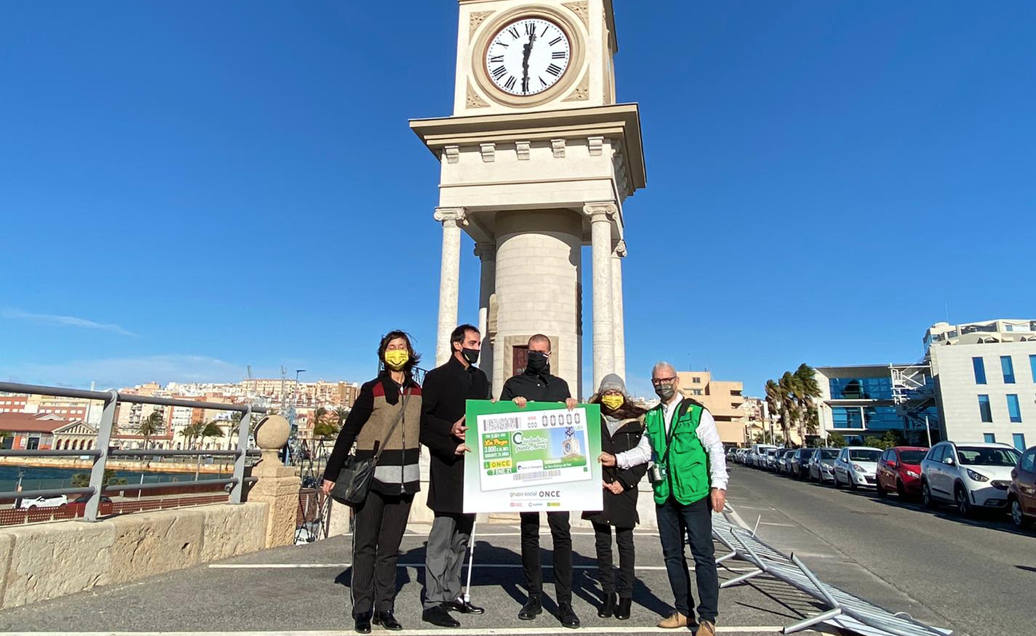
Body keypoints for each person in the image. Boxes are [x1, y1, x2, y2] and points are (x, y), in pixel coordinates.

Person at [600, 362, 728, 636]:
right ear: (652, 383)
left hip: (694, 494)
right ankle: (683, 611)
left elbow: (715, 449)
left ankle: (707, 619)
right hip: (665, 495)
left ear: (676, 380)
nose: (662, 384)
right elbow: (644, 451)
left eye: (666, 379)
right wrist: (616, 459)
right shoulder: (654, 416)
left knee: (703, 556)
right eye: (657, 381)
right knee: (672, 555)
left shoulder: (696, 413)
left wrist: (719, 485)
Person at [322, 331, 424, 634]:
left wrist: (457, 436)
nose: (397, 352)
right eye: (391, 348)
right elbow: (349, 430)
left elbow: (427, 429)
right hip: (373, 479)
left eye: (401, 347)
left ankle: (385, 608)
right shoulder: (372, 389)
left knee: (390, 549)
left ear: (409, 353)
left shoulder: (418, 391)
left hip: (406, 480)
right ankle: (363, 609)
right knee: (365, 545)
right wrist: (331, 473)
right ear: (383, 354)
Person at [499, 334, 580, 629]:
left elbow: (572, 428)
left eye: (541, 352)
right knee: (529, 534)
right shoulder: (513, 384)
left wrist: (572, 406)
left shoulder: (560, 386)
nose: (535, 355)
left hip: (558, 475)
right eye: (531, 351)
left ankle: (565, 603)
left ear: (549, 353)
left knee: (562, 535)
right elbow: (499, 422)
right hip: (526, 473)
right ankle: (534, 596)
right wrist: (512, 407)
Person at [419, 324, 490, 627]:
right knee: (441, 537)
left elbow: (489, 416)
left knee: (462, 538)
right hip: (448, 467)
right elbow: (423, 423)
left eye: (479, 343)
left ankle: (452, 592)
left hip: (475, 470)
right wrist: (450, 434)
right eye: (473, 342)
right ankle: (433, 601)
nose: (477, 347)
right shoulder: (436, 378)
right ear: (457, 345)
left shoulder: (481, 378)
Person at [582, 373, 647, 621]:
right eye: (607, 392)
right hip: (597, 488)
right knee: (602, 546)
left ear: (624, 394)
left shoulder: (638, 420)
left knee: (625, 545)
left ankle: (626, 597)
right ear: (600, 394)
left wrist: (625, 482)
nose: (612, 397)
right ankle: (607, 595)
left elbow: (644, 457)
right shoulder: (589, 416)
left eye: (616, 392)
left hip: (624, 489)